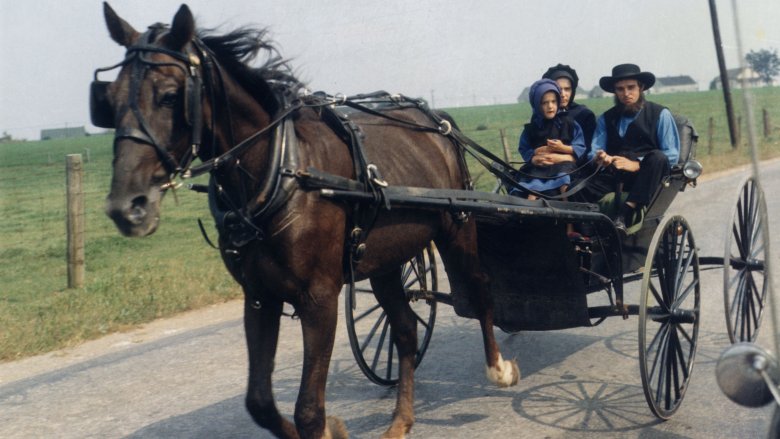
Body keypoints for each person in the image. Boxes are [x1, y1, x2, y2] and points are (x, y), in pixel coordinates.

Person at [581, 63, 680, 233]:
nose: (626, 94)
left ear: (641, 87)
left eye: (631, 87)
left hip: (646, 176)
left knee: (658, 157)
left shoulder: (660, 114)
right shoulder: (606, 118)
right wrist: (600, 158)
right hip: (615, 176)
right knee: (577, 186)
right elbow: (594, 150)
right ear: (614, 91)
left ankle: (625, 213)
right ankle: (586, 232)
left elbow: (672, 154)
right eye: (620, 89)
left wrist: (636, 164)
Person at [514, 79, 586, 207]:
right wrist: (534, 156)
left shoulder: (568, 122)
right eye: (544, 103)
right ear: (537, 105)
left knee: (564, 183)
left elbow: (580, 146)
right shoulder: (532, 128)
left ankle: (570, 221)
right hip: (539, 166)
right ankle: (527, 214)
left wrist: (563, 148)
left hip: (563, 165)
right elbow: (524, 148)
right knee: (532, 187)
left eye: (553, 101)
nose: (550, 106)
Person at [542, 64, 597, 158]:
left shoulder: (584, 114)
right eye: (558, 89)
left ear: (573, 91)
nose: (563, 94)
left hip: (578, 168)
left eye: (567, 89)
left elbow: (590, 151)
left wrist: (566, 157)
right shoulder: (542, 114)